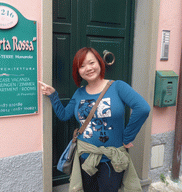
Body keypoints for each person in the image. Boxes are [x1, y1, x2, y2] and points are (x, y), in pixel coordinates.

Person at [39, 47, 150, 192]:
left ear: (99, 63)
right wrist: (53, 95)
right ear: (78, 71)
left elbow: (143, 108)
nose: (88, 68)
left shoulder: (118, 87)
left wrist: (127, 137)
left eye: (91, 63)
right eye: (82, 66)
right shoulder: (79, 93)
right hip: (85, 158)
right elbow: (64, 115)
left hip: (111, 161)